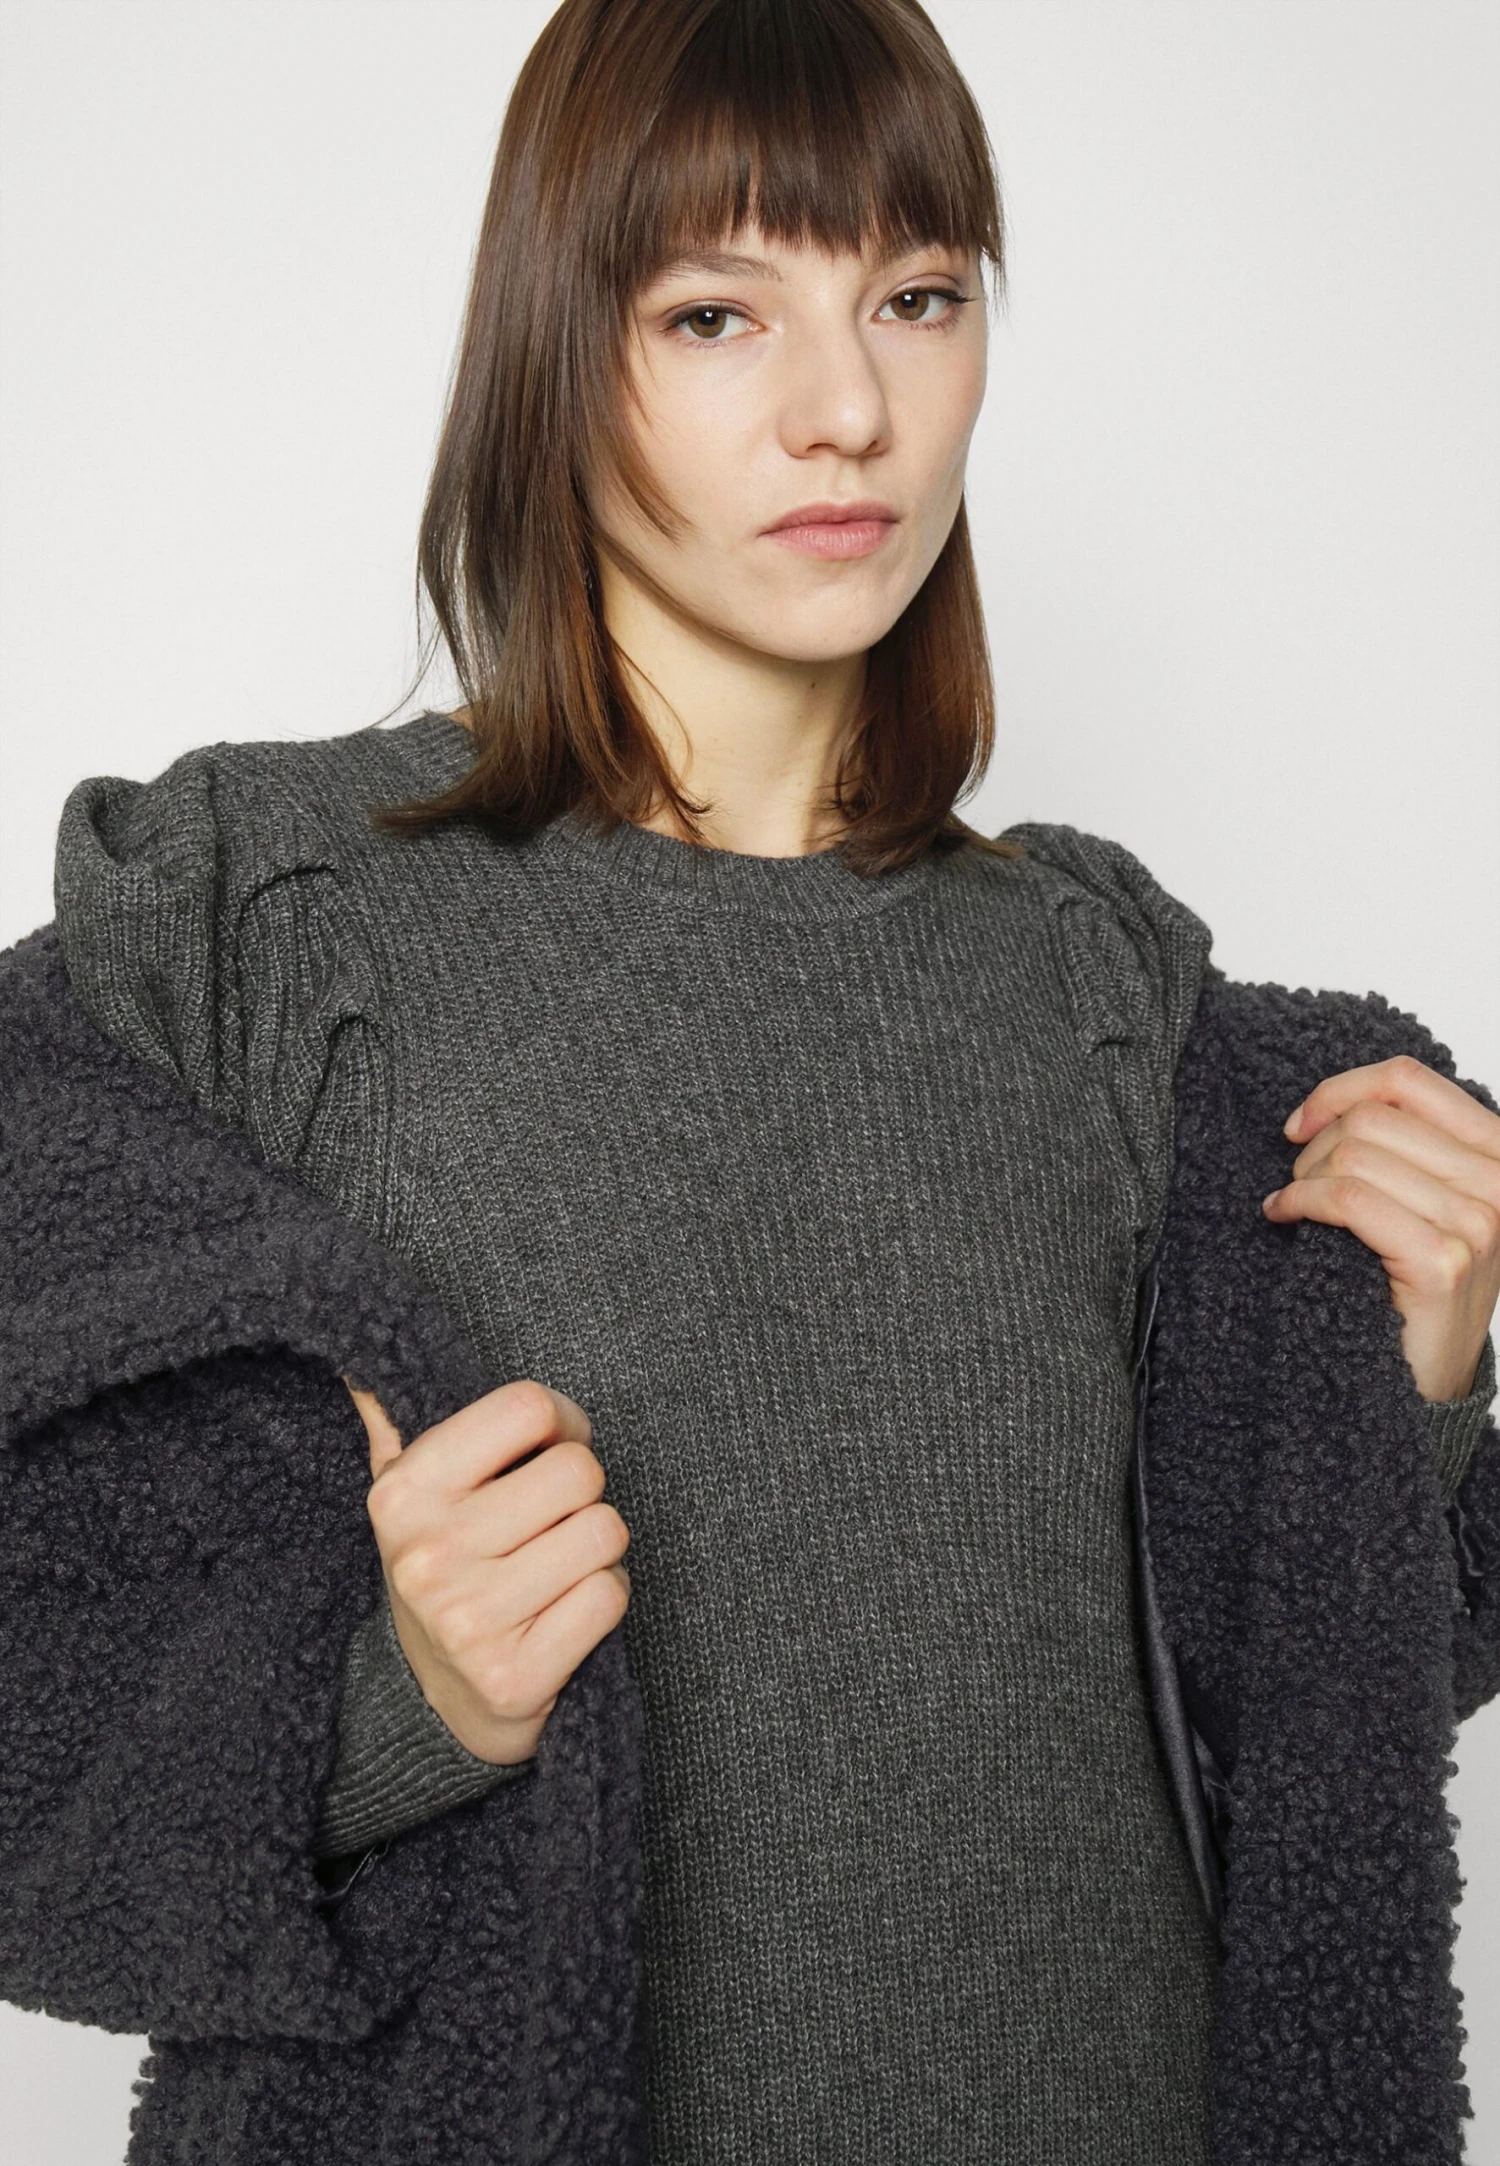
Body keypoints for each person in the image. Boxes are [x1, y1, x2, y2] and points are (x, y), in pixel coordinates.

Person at [6, 1, 1499, 2159]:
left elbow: (1288, 1758)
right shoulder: (264, 922)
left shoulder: (1101, 987)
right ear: (557, 353)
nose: (849, 410)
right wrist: (398, 1710)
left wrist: (1397, 1405)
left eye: (919, 297)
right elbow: (46, 1671)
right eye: (718, 313)